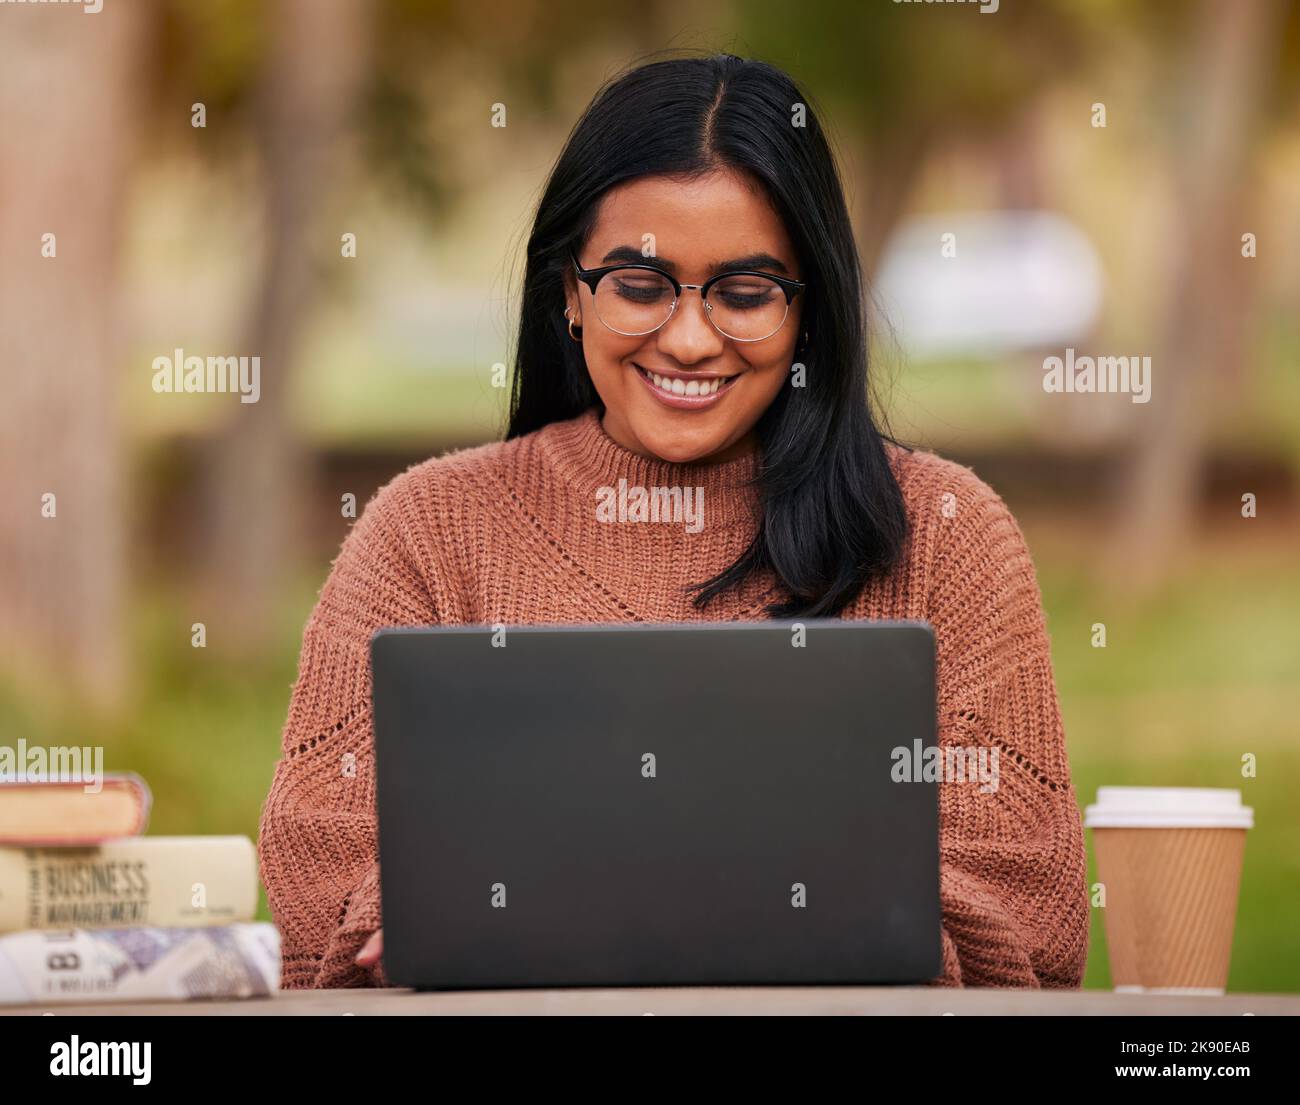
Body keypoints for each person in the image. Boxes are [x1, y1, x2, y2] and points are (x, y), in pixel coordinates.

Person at [257, 53, 1089, 990]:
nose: (690, 339)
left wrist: (584, 892)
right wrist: (424, 905)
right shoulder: (427, 532)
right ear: (570, 292)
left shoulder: (945, 533)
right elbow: (316, 890)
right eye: (640, 285)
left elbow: (1030, 922)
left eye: (744, 292)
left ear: (811, 311)